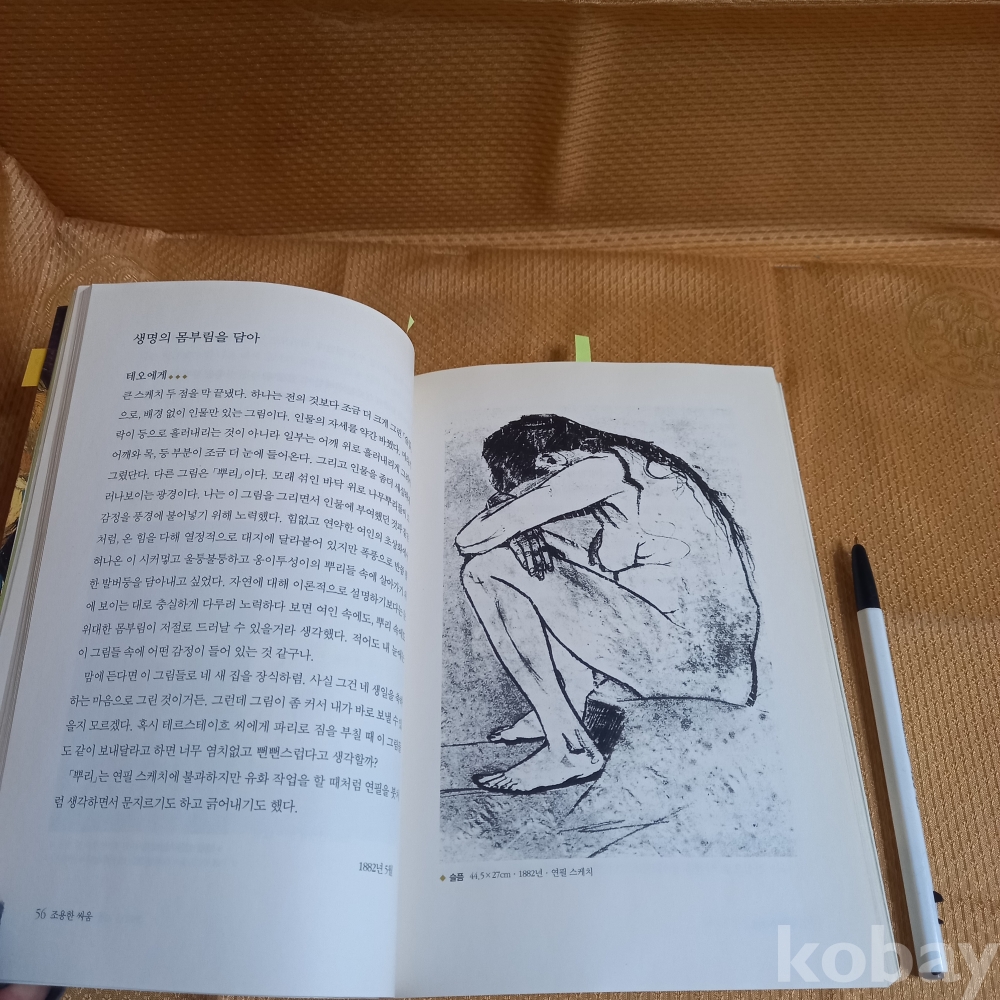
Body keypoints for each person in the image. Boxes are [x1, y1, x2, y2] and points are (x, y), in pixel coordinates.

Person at [456, 414, 760, 794]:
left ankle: (570, 750)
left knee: (486, 567)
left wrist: (511, 521)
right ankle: (570, 702)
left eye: (526, 491)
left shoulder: (602, 468)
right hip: (712, 669)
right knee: (536, 559)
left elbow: (470, 539)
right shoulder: (641, 476)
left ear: (549, 463)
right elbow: (602, 583)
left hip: (694, 667)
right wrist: (525, 533)